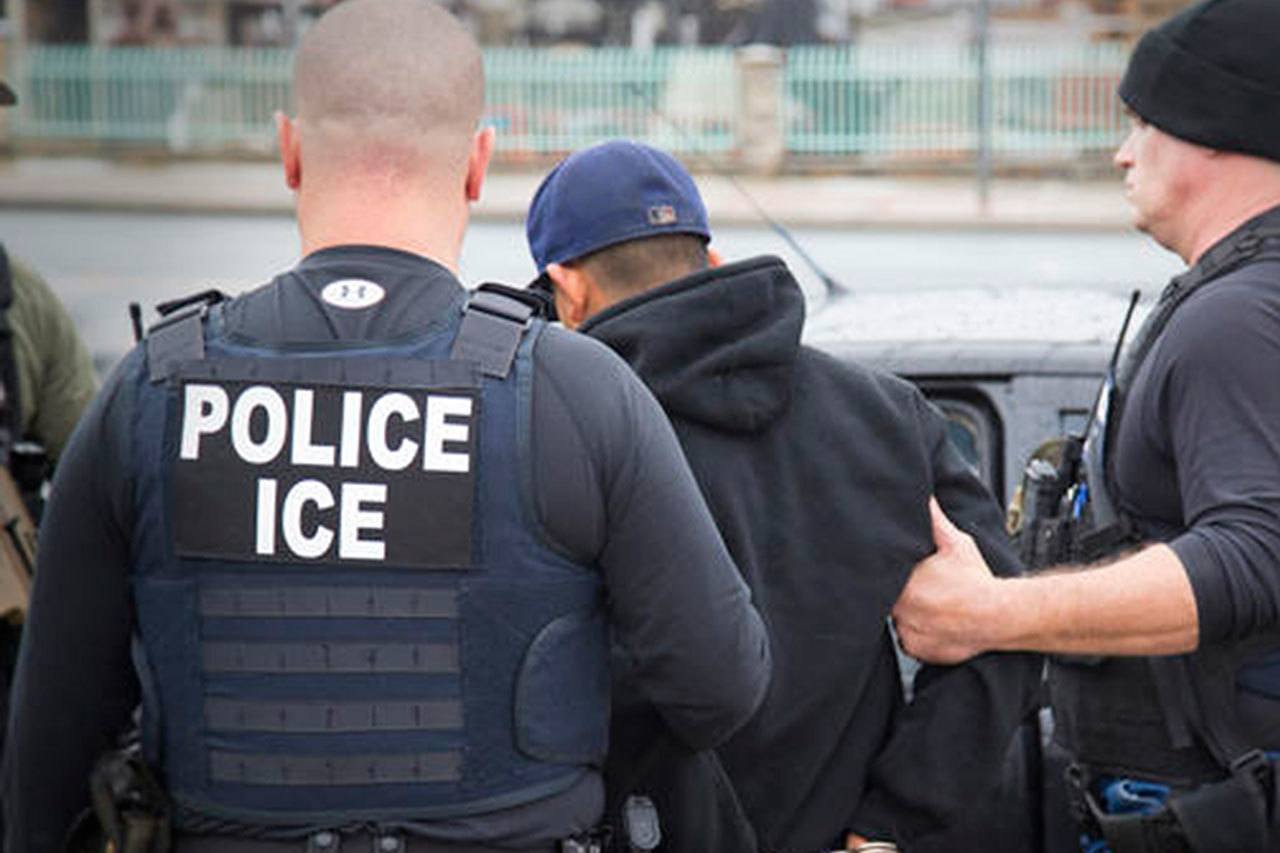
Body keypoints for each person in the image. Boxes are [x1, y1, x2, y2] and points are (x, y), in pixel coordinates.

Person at [1, 4, 771, 851]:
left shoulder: (150, 392)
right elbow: (720, 685)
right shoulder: (577, 390)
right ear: (479, 163)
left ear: (289, 152)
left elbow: (49, 745)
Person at [524, 140, 1044, 853]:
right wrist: (888, 824)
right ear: (710, 263)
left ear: (568, 290)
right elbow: (1004, 637)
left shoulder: (564, 431)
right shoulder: (885, 415)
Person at [892, 1, 1280, 850]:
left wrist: (989, 611)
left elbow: (1258, 552)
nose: (1121, 151)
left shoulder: (1237, 322)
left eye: (1143, 125)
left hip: (1204, 802)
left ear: (1214, 131)